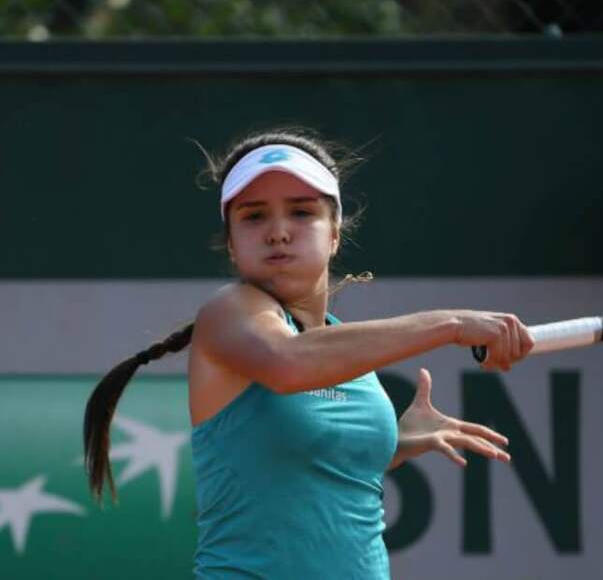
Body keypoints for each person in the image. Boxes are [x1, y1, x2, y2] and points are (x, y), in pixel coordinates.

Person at [82, 128, 534, 579]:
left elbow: (290, 461)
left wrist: (389, 445)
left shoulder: (342, 352)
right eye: (254, 217)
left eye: (301, 212)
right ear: (233, 246)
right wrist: (453, 324)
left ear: (335, 234)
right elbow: (288, 362)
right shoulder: (228, 313)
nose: (278, 232)